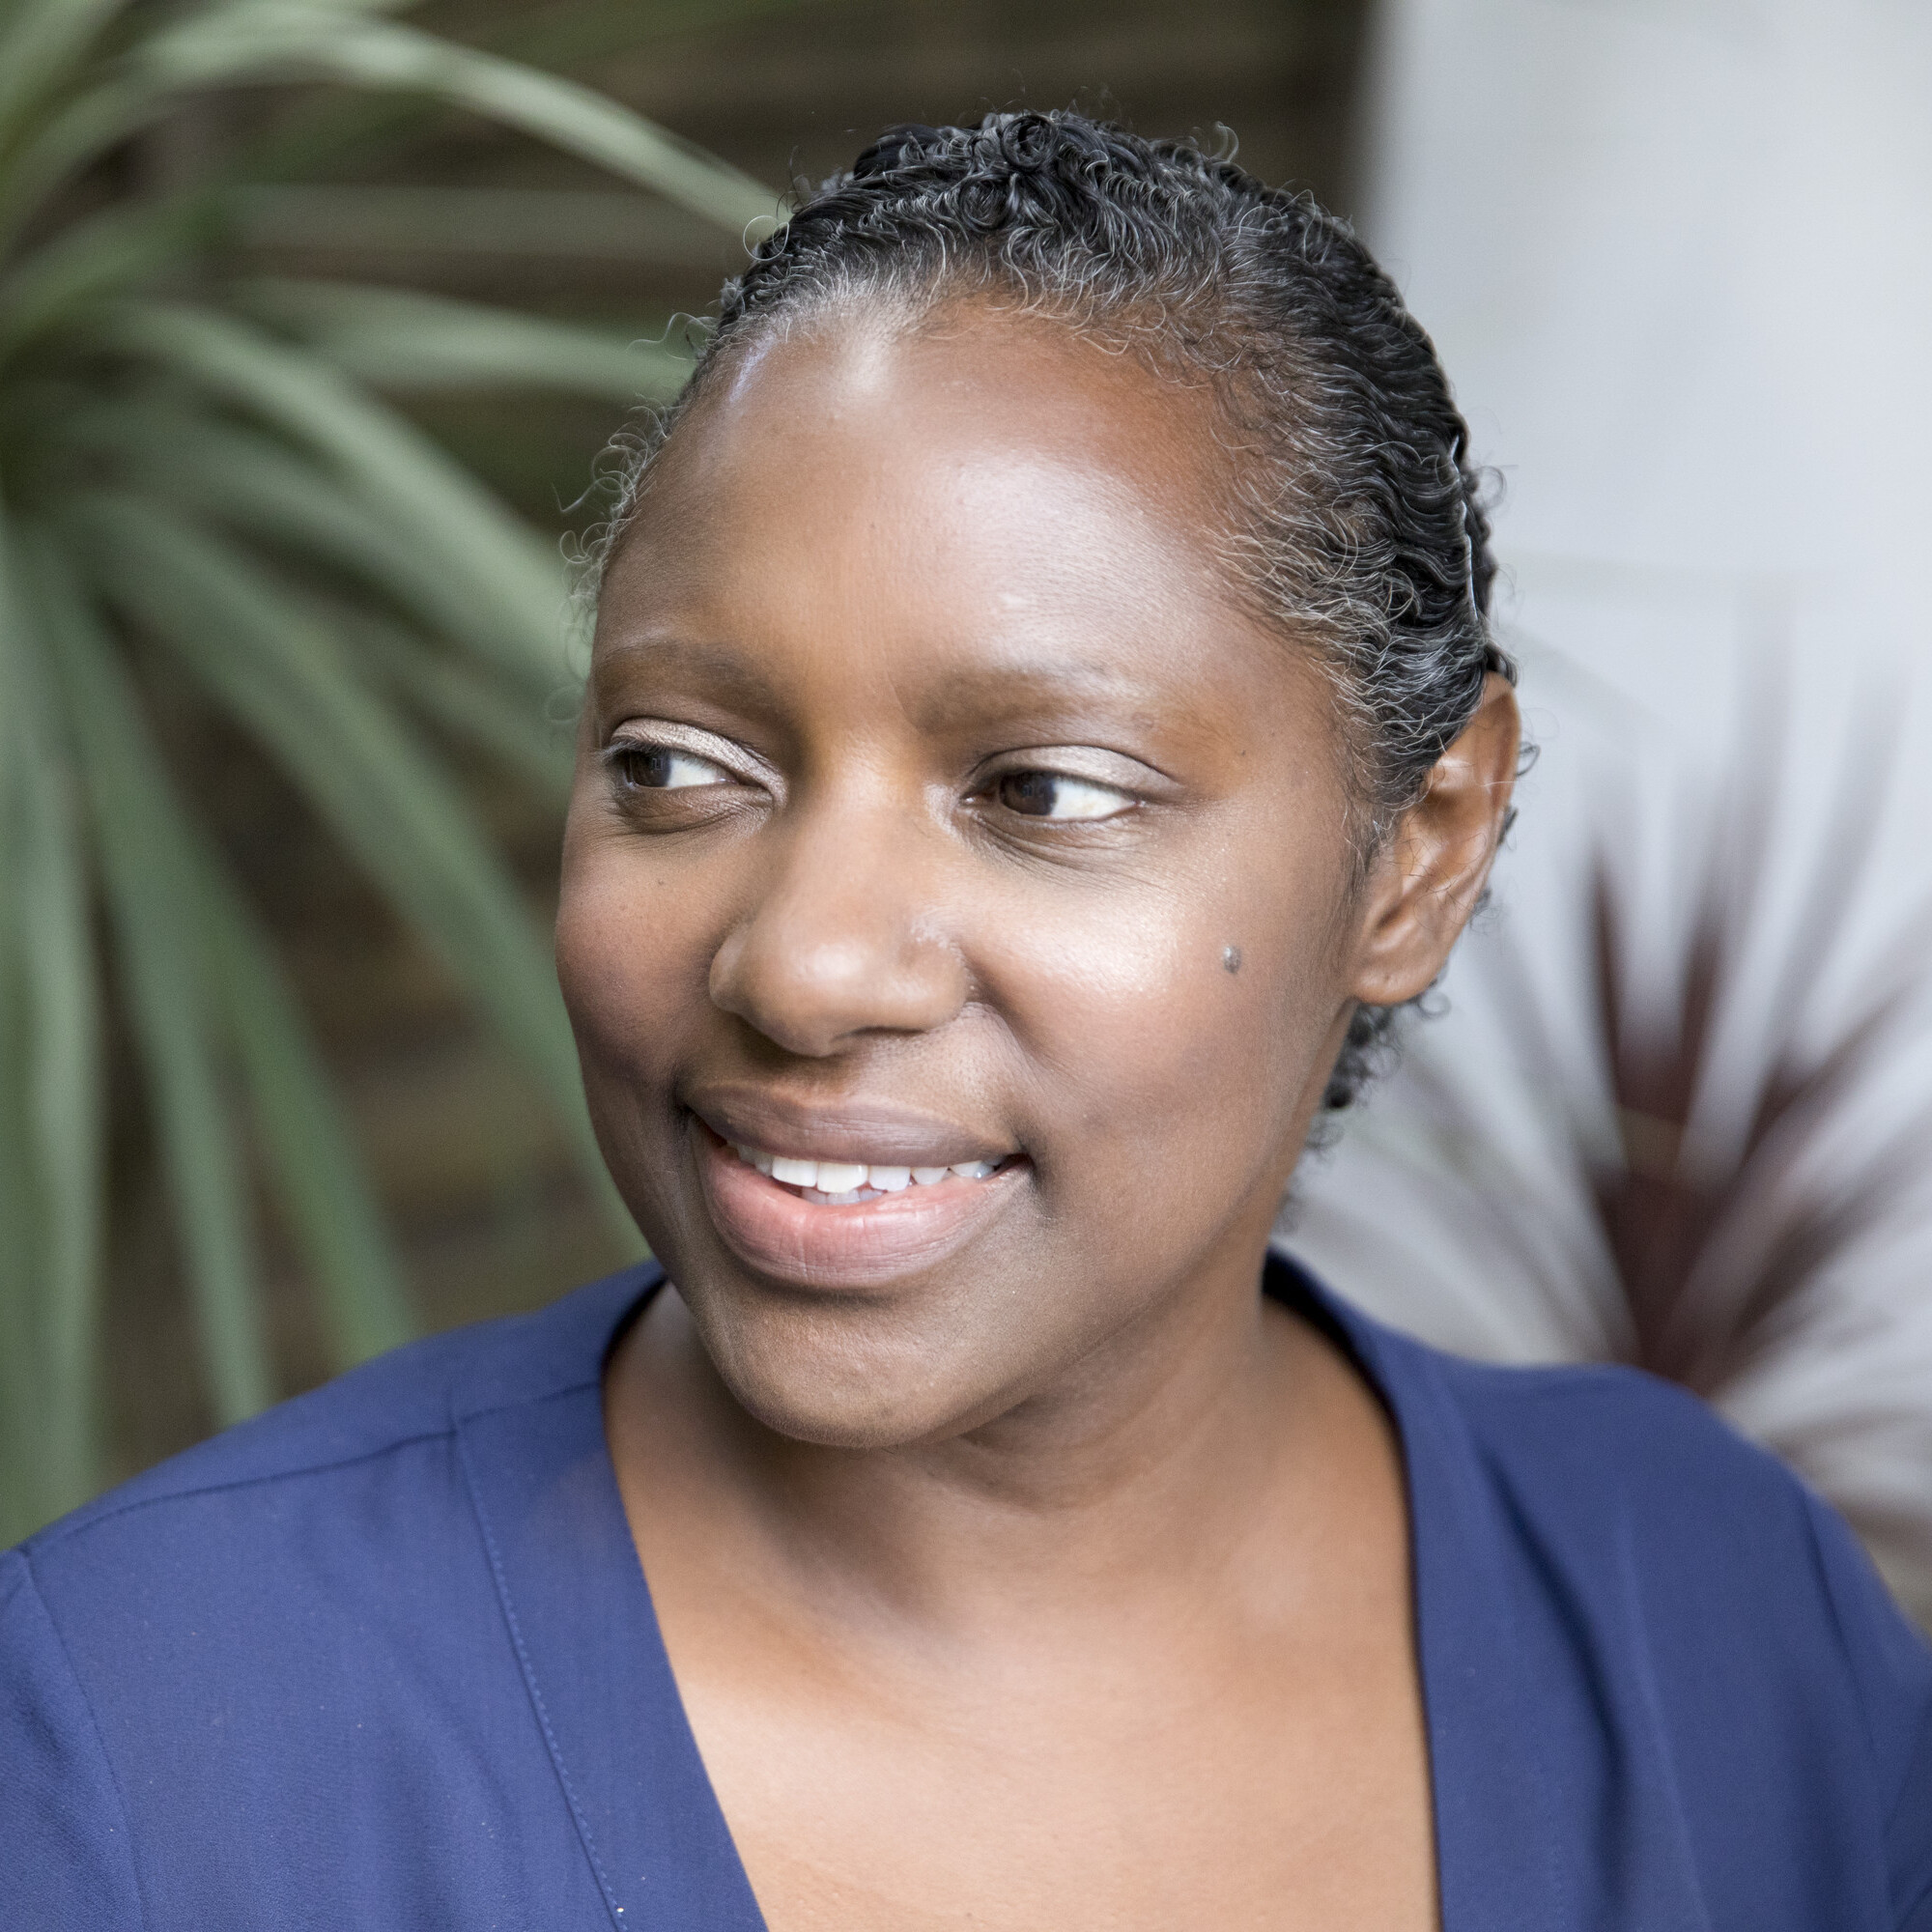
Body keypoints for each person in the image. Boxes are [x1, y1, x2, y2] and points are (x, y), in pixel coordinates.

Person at [5, 113, 1928, 1931]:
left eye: (1043, 790)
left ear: (1416, 854)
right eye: (676, 762)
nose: (804, 967)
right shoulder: (146, 1743)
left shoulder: (1721, 1627)